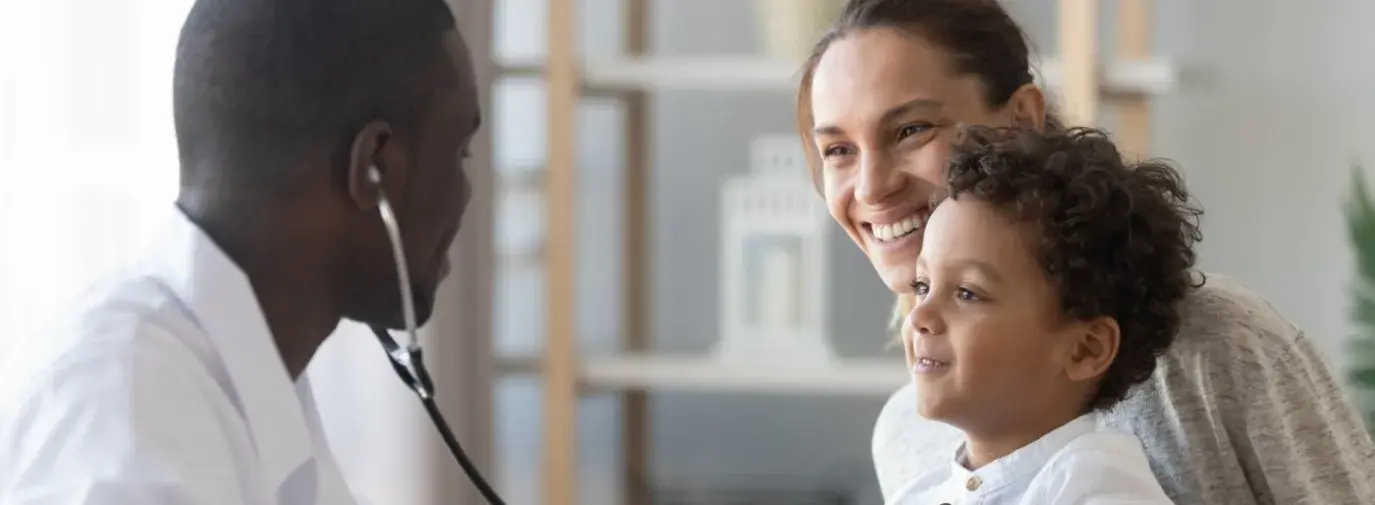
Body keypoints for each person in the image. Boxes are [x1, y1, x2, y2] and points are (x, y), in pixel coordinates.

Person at [796, 0, 1375, 503]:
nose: (870, 188)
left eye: (910, 130)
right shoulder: (910, 432)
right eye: (839, 149)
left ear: (1022, 118)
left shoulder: (1214, 344)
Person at [0, 0, 480, 502]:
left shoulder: (252, 387)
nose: (467, 195)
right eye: (459, 154)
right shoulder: (123, 417)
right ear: (374, 168)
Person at [887, 125, 1196, 505]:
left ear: (1085, 349)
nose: (920, 316)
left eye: (967, 293)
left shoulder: (1105, 495)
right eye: (922, 286)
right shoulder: (917, 495)